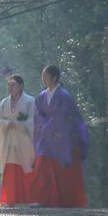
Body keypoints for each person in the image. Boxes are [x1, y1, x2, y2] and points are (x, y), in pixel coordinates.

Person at [29, 65, 88, 207]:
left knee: (60, 168)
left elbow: (63, 115)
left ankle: (63, 200)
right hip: (46, 135)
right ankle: (43, 199)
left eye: (45, 76)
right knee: (42, 167)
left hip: (61, 136)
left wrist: (50, 129)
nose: (43, 79)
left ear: (54, 77)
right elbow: (38, 114)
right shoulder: (42, 95)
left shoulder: (64, 95)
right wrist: (46, 129)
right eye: (42, 75)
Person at [0, 74, 36, 206]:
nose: (10, 87)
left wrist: (21, 124)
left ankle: (31, 199)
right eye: (8, 85)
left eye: (13, 85)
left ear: (21, 86)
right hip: (9, 140)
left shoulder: (30, 101)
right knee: (10, 167)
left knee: (27, 166)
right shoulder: (4, 102)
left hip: (23, 140)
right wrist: (6, 124)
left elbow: (34, 120)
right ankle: (9, 199)